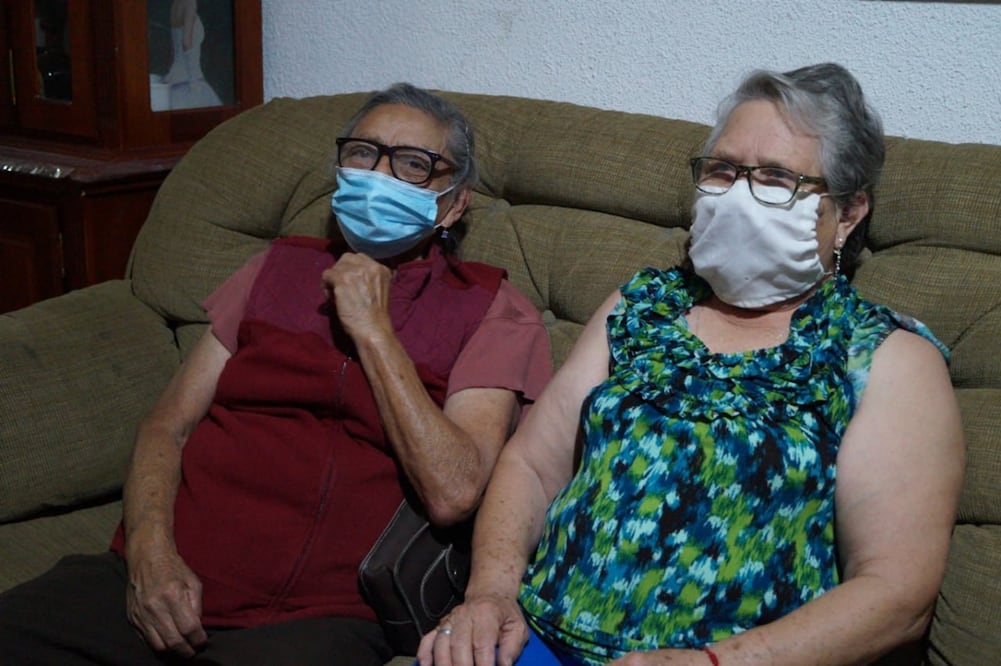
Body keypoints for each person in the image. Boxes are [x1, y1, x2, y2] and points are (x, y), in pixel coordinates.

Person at [417, 63, 964, 666]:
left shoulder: (883, 356)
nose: (739, 196)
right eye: (723, 170)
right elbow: (531, 466)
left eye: (777, 178)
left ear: (849, 213)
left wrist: (713, 663)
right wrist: (491, 595)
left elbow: (896, 591)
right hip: (537, 637)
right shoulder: (641, 306)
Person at [0, 83, 552, 666]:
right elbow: (168, 425)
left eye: (413, 164)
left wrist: (374, 333)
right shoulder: (276, 268)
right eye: (362, 153)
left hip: (316, 618)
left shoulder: (490, 309)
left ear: (455, 204)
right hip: (164, 576)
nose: (378, 175)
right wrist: (148, 555)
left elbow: (454, 491)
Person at [163, 0, 222, 109]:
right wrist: (194, 80)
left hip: (175, 79)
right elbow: (186, 43)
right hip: (190, 79)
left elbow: (174, 47)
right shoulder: (190, 3)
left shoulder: (175, 4)